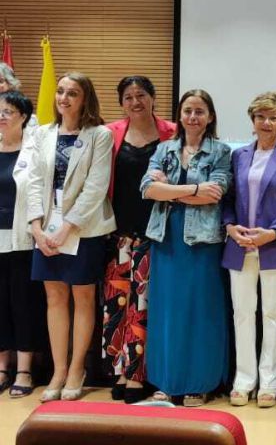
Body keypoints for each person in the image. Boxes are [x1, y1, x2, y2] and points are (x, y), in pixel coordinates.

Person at [28, 72, 116, 402]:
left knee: (82, 297)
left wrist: (67, 227)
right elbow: (34, 182)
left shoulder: (99, 135)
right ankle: (59, 370)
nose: (64, 98)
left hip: (84, 229)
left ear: (85, 99)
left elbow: (96, 186)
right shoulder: (42, 133)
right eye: (61, 91)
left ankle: (77, 369)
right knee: (54, 298)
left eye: (73, 93)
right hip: (45, 229)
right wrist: (36, 227)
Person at [141, 89, 231, 407]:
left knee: (200, 311)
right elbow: (147, 189)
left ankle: (200, 383)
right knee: (167, 311)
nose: (193, 117)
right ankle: (167, 382)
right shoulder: (164, 148)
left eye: (199, 111)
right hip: (166, 238)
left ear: (210, 117)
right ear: (179, 115)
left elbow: (215, 193)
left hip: (202, 241)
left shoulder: (221, 151)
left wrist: (169, 189)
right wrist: (193, 189)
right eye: (188, 111)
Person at [222, 92, 276, 408]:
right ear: (253, 119)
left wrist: (272, 233)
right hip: (240, 245)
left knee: (273, 314)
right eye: (261, 117)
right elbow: (228, 200)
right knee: (242, 314)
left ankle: (269, 381)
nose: (266, 123)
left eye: (273, 117)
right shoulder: (239, 156)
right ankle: (243, 381)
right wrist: (231, 227)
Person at [102, 76, 175, 404]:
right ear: (121, 103)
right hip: (119, 233)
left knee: (144, 305)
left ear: (153, 98)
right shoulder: (110, 133)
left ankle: (138, 373)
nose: (136, 102)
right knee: (117, 305)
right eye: (129, 97)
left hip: (156, 233)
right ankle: (119, 370)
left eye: (141, 95)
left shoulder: (172, 132)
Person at [0, 90, 46, 398]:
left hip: (22, 238)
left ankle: (25, 369)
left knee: (23, 304)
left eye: (8, 111)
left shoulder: (33, 149)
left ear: (24, 117)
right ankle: (2, 366)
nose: (1, 116)